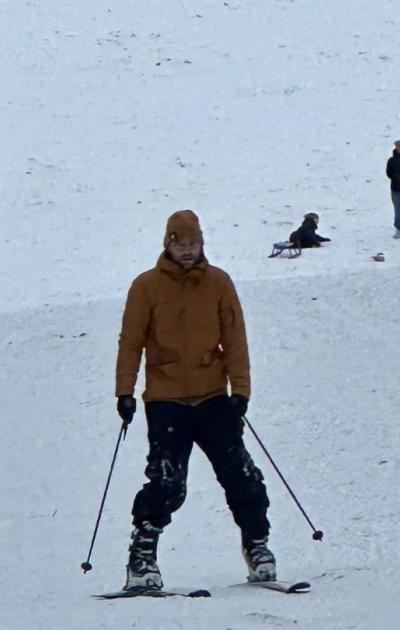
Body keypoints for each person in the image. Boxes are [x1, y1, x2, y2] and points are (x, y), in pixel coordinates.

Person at [115, 209, 274, 591]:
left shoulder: (219, 283)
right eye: (179, 243)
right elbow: (131, 340)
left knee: (241, 473)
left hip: (212, 396)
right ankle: (142, 558)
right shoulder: (146, 287)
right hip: (166, 399)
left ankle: (257, 546)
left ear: (203, 244)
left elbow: (235, 338)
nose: (187, 251)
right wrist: (124, 390)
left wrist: (242, 391)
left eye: (193, 243)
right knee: (168, 482)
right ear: (167, 244)